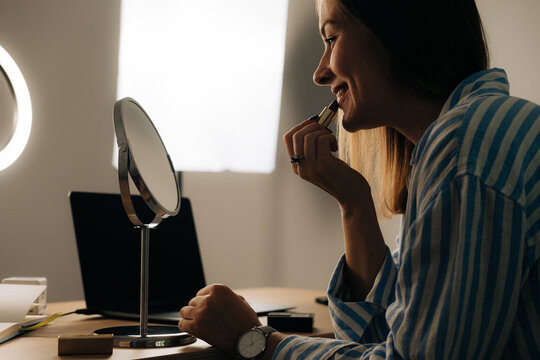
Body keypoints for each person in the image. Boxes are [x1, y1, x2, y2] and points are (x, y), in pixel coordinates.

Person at [178, 0, 540, 358]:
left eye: (331, 38)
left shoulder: (465, 147)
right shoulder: (471, 135)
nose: (320, 73)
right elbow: (386, 336)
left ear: (395, 30)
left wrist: (254, 341)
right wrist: (354, 202)